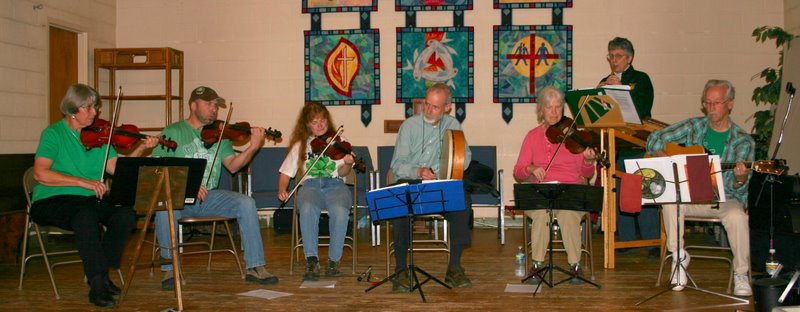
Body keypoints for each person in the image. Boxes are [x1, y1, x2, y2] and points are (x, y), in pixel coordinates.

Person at [30, 83, 158, 307]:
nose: (95, 112)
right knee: (85, 215)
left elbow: (116, 169)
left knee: (125, 214)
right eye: (87, 108)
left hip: (87, 200)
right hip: (51, 199)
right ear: (72, 109)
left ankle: (100, 273)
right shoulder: (53, 134)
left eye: (95, 107)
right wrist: (83, 182)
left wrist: (140, 149)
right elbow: (41, 173)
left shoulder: (100, 136)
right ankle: (98, 284)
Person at [153, 86, 278, 289]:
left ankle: (255, 267)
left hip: (209, 197)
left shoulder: (221, 135)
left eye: (216, 105)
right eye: (209, 104)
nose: (214, 109)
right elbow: (158, 169)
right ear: (193, 105)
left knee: (246, 203)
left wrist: (253, 147)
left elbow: (233, 165)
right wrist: (187, 186)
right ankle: (169, 269)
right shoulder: (173, 132)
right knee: (163, 207)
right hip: (178, 197)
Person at [646, 79, 753, 296]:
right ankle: (678, 259)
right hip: (691, 196)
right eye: (708, 102)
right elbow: (655, 137)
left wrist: (740, 178)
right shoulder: (694, 126)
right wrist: (666, 159)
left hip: (725, 198)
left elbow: (740, 189)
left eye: (717, 103)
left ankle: (741, 273)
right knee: (669, 202)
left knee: (738, 217)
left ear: (730, 104)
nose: (711, 108)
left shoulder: (743, 141)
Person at [389, 82, 473, 291]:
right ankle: (400, 270)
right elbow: (397, 165)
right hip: (412, 180)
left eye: (435, 107)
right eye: (426, 104)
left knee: (463, 200)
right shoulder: (409, 126)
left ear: (447, 108)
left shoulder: (453, 125)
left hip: (440, 183)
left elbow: (466, 157)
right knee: (400, 202)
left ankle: (454, 268)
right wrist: (418, 171)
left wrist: (447, 168)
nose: (428, 110)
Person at [512, 86, 596, 285]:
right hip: (541, 193)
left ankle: (575, 266)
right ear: (541, 110)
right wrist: (531, 168)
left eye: (558, 107)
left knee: (567, 214)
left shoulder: (574, 136)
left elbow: (587, 174)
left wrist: (587, 161)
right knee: (542, 214)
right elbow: (518, 171)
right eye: (549, 107)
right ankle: (537, 264)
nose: (554, 112)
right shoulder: (532, 136)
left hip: (569, 192)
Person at [277, 102, 354, 281]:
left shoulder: (338, 142)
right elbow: (285, 172)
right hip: (310, 185)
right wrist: (282, 189)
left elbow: (342, 172)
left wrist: (348, 164)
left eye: (323, 121)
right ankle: (312, 259)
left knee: (341, 211)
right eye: (314, 122)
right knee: (307, 208)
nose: (320, 125)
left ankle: (334, 261)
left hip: (335, 184)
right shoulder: (300, 145)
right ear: (307, 125)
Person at [597, 37, 659, 258]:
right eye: (611, 56)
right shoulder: (606, 79)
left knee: (645, 192)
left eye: (618, 56)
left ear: (630, 58)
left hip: (639, 144)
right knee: (619, 193)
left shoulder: (641, 79)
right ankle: (627, 241)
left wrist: (620, 89)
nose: (614, 60)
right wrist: (599, 93)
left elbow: (642, 109)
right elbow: (599, 114)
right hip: (617, 146)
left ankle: (653, 242)